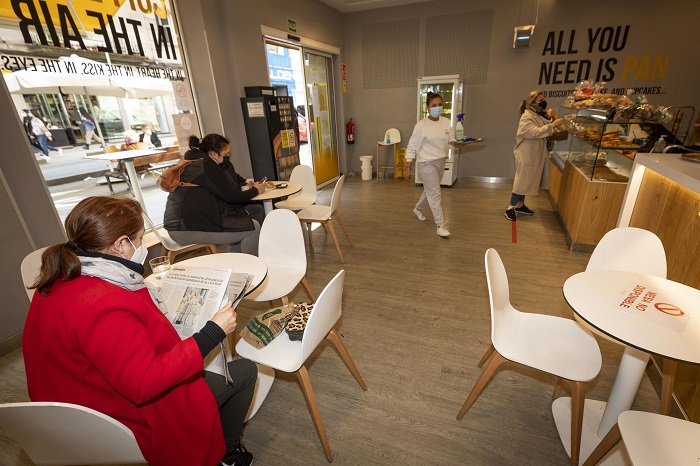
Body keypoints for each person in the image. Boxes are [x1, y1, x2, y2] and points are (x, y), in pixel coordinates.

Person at [22, 196, 256, 466]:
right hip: (118, 417)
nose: (142, 244)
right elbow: (145, 383)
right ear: (122, 244)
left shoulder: (59, 277)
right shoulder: (105, 304)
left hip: (70, 409)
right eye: (140, 237)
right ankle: (226, 456)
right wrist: (212, 332)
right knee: (244, 373)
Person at [163, 134, 266, 255]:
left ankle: (237, 265)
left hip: (183, 225)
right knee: (253, 228)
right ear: (213, 154)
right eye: (225, 155)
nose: (227, 158)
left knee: (243, 223)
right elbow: (233, 197)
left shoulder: (195, 163)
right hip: (185, 228)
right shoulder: (207, 167)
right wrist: (257, 190)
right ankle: (253, 267)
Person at [406, 91, 466, 238]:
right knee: (435, 193)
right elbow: (412, 146)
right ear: (428, 107)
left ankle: (418, 209)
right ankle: (440, 225)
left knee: (430, 190)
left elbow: (451, 141)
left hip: (441, 161)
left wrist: (457, 144)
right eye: (434, 105)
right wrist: (408, 166)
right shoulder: (421, 125)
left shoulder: (446, 122)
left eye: (440, 105)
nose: (437, 107)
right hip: (426, 163)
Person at [505, 90, 564, 221]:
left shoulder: (536, 114)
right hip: (526, 153)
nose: (543, 102)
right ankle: (510, 207)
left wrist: (550, 119)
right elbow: (531, 132)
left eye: (543, 99)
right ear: (532, 103)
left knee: (527, 180)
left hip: (533, 153)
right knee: (522, 181)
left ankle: (520, 205)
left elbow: (542, 126)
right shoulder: (527, 116)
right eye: (540, 100)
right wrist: (553, 125)